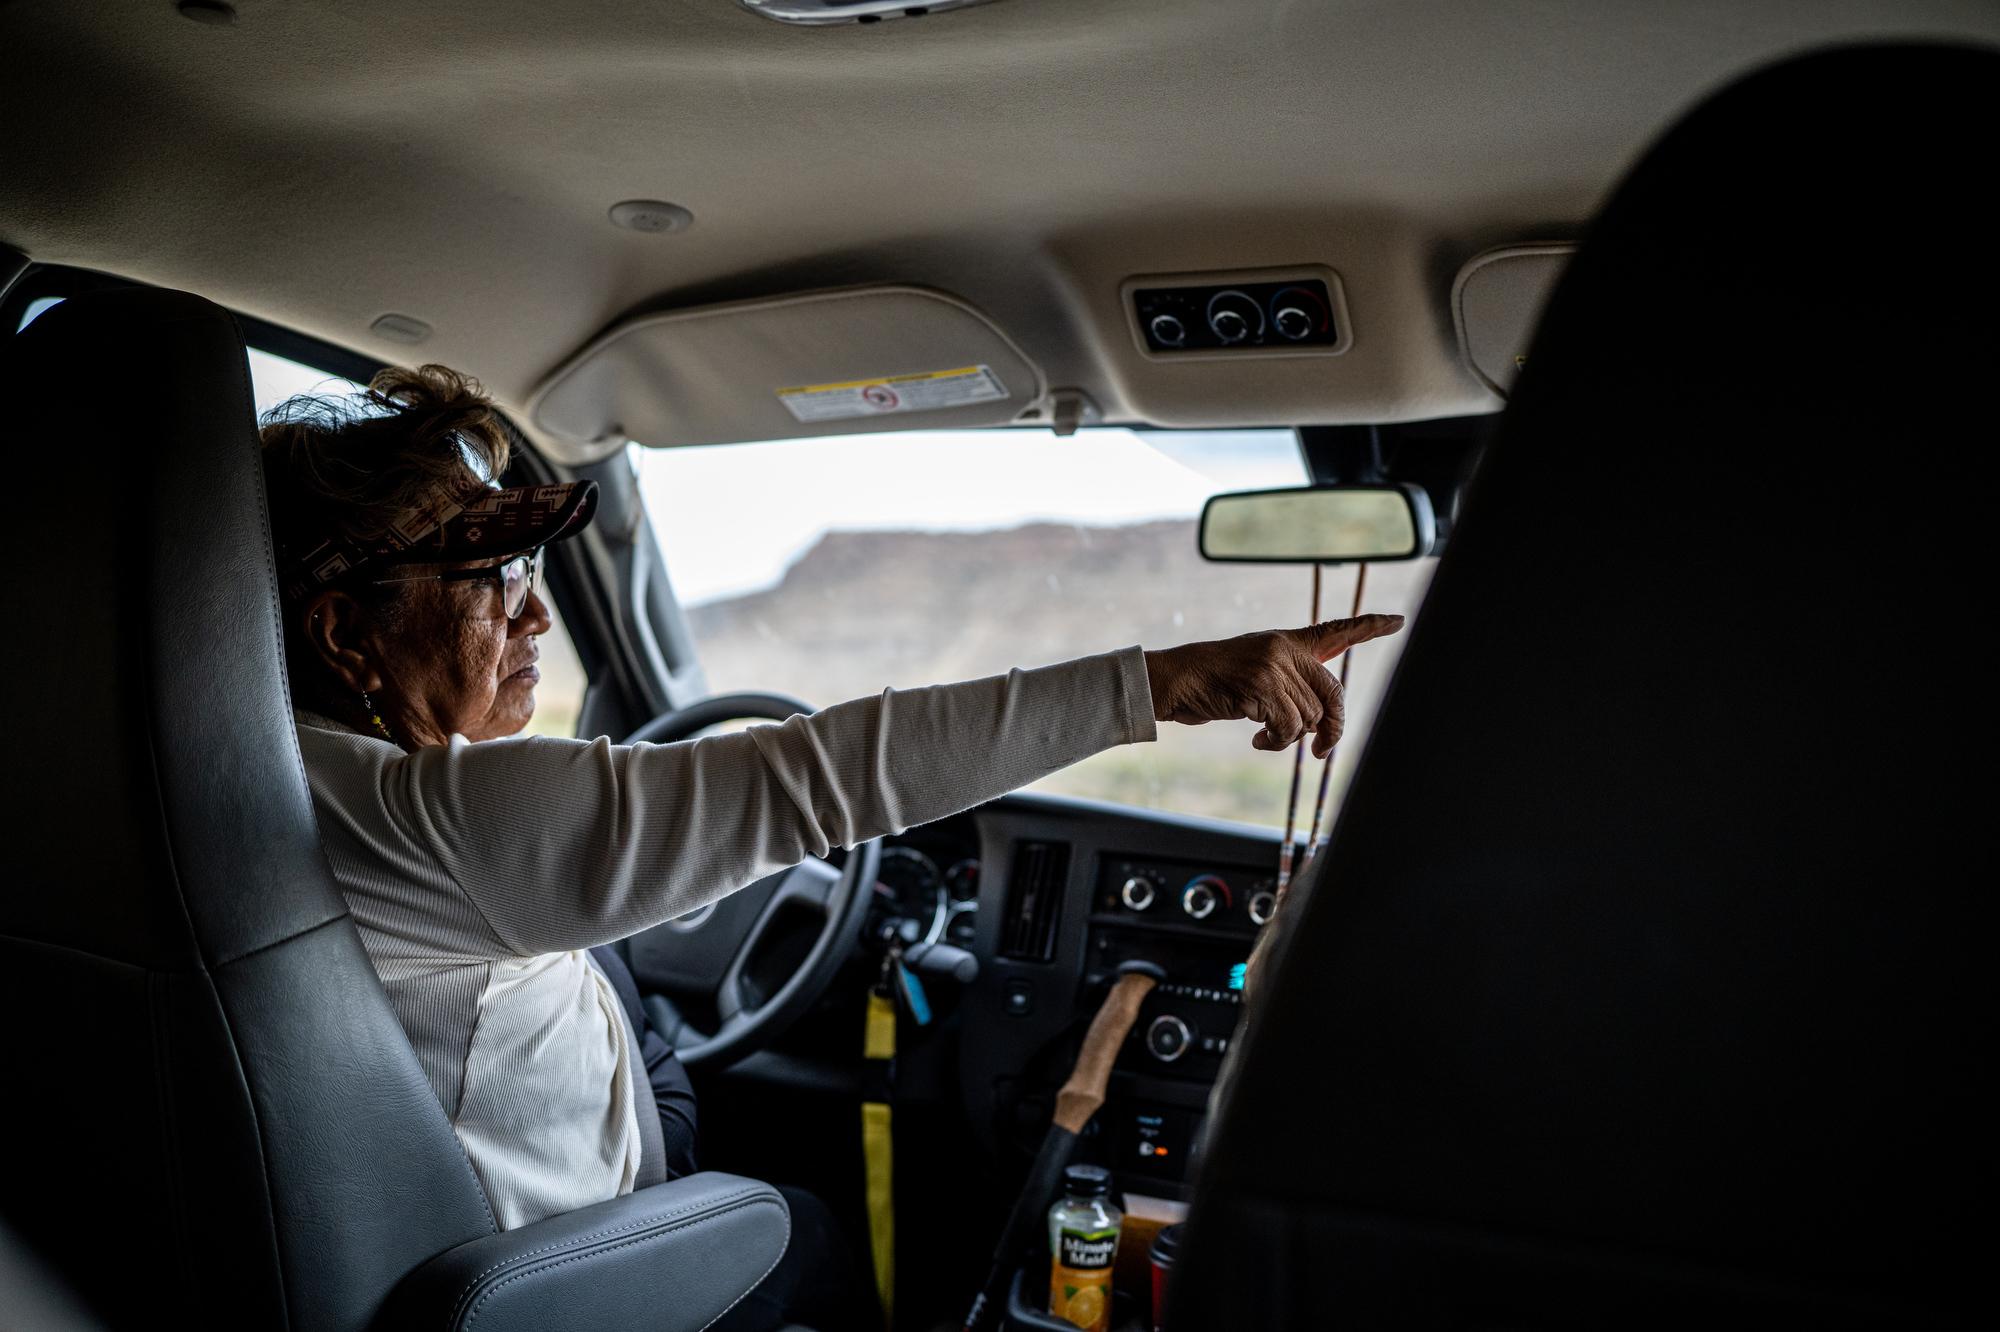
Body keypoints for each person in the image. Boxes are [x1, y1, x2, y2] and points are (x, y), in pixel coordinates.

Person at [260, 364, 1401, 1322]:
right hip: (542, 1269)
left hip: (398, 1230)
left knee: (658, 1033)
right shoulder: (439, 822)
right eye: (487, 574)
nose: (535, 614)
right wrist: (1161, 682)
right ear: (345, 633)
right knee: (802, 1226)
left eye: (531, 570)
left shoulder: (258, 786)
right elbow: (821, 777)